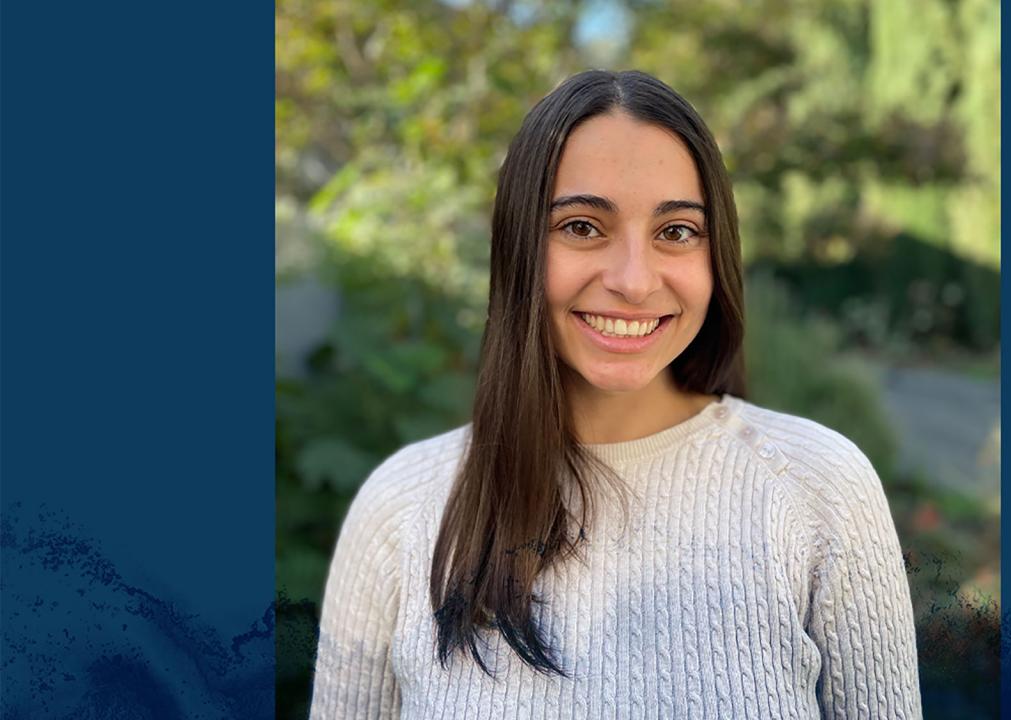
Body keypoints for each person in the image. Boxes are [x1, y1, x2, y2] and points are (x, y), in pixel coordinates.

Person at [309, 69, 922, 719]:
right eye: (581, 226)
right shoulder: (401, 508)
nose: (634, 280)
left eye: (676, 232)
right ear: (518, 248)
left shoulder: (817, 485)